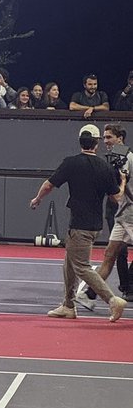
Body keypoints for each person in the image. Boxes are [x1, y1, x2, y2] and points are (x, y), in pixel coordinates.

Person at [30, 123, 126, 321]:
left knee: (81, 266)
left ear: (80, 141)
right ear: (96, 143)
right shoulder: (105, 167)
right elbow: (117, 198)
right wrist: (123, 183)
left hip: (79, 225)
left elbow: (49, 185)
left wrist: (38, 199)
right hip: (94, 225)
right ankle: (68, 305)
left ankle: (112, 300)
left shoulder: (71, 163)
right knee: (69, 263)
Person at [75, 124, 133, 308]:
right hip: (122, 215)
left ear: (120, 139)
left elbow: (117, 190)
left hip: (130, 214)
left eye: (109, 137)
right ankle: (89, 294)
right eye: (104, 138)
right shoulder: (116, 158)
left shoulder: (126, 158)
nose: (105, 141)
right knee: (110, 255)